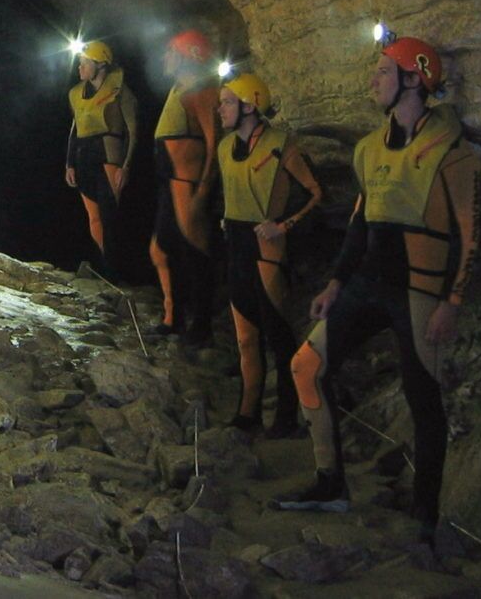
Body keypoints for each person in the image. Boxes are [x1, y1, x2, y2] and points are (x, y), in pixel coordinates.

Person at [275, 35, 479, 541]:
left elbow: (469, 230)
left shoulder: (450, 153)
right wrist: (337, 283)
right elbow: (359, 225)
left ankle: (424, 515)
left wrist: (451, 302)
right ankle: (330, 484)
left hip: (419, 290)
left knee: (422, 397)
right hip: (369, 283)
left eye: (383, 72)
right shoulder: (368, 150)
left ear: (414, 79)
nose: (373, 81)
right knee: (306, 366)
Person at [216, 70, 323, 437]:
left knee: (277, 334)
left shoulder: (281, 145)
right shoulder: (223, 148)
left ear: (250, 105)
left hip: (266, 247)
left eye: (227, 102)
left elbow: (315, 193)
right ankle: (248, 413)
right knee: (246, 337)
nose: (221, 109)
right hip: (236, 245)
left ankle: (287, 416)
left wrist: (284, 225)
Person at [150, 29, 221, 344]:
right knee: (160, 250)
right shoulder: (179, 89)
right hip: (172, 183)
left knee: (196, 253)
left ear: (185, 55)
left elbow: (213, 142)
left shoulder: (204, 92)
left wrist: (203, 191)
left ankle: (201, 325)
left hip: (187, 184)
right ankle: (173, 316)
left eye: (170, 52)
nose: (165, 58)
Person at [64, 40, 138, 270]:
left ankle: (115, 269)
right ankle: (101, 266)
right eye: (80, 63)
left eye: (85, 63)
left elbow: (133, 130)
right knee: (93, 217)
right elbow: (74, 129)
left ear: (100, 65)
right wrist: (69, 164)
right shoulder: (76, 94)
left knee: (110, 217)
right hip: (83, 156)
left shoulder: (120, 91)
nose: (80, 68)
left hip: (108, 155)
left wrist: (126, 166)